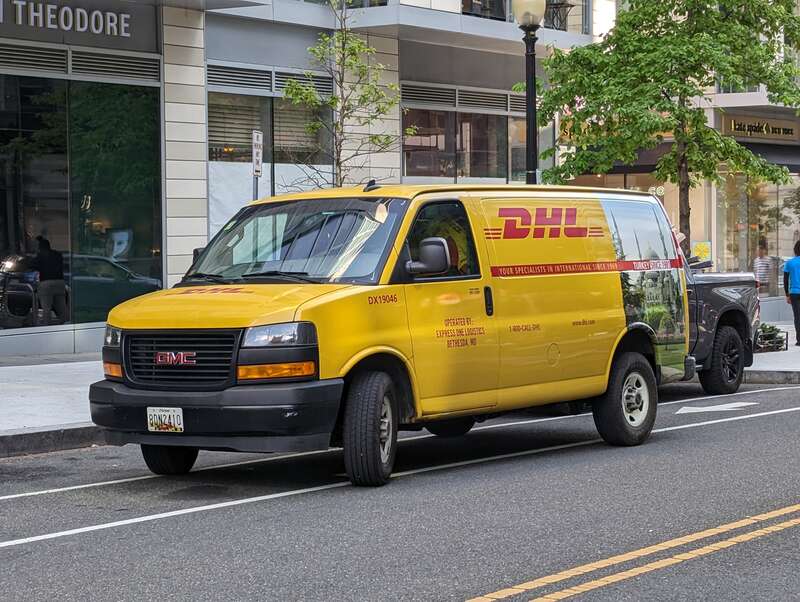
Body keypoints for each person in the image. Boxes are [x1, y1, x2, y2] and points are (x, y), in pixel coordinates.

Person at [30, 236, 67, 326]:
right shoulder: (57, 255)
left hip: (46, 283)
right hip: (60, 282)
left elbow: (32, 265)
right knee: (62, 307)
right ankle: (66, 324)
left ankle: (47, 326)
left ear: (40, 247)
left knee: (46, 308)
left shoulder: (40, 255)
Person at [784, 240, 800, 346]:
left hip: (794, 293)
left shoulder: (789, 263)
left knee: (797, 317)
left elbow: (785, 280)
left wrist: (787, 294)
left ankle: (799, 340)